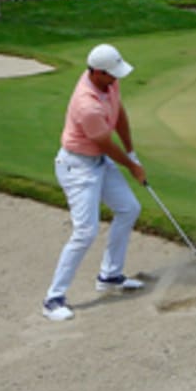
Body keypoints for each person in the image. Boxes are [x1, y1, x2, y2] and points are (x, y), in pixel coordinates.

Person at [42, 43, 146, 322]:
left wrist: (132, 150)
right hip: (78, 168)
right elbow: (103, 142)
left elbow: (119, 113)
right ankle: (53, 299)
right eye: (111, 75)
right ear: (97, 72)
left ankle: (110, 276)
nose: (116, 79)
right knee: (85, 232)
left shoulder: (108, 83)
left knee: (128, 209)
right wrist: (132, 167)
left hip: (98, 160)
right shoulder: (86, 104)